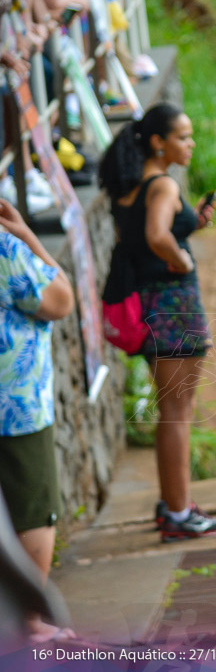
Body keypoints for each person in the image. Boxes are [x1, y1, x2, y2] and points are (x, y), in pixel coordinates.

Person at [98, 103, 216, 543]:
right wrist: (181, 256)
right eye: (183, 137)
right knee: (177, 412)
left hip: (150, 306)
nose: (190, 144)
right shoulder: (162, 186)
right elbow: (157, 236)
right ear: (159, 142)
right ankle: (178, 512)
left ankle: (174, 504)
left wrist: (189, 221)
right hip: (173, 306)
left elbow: (139, 236)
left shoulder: (133, 188)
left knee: (171, 410)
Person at [0, 199, 75, 642]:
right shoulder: (6, 250)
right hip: (14, 401)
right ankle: (29, 625)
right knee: (31, 505)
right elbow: (60, 299)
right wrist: (27, 236)